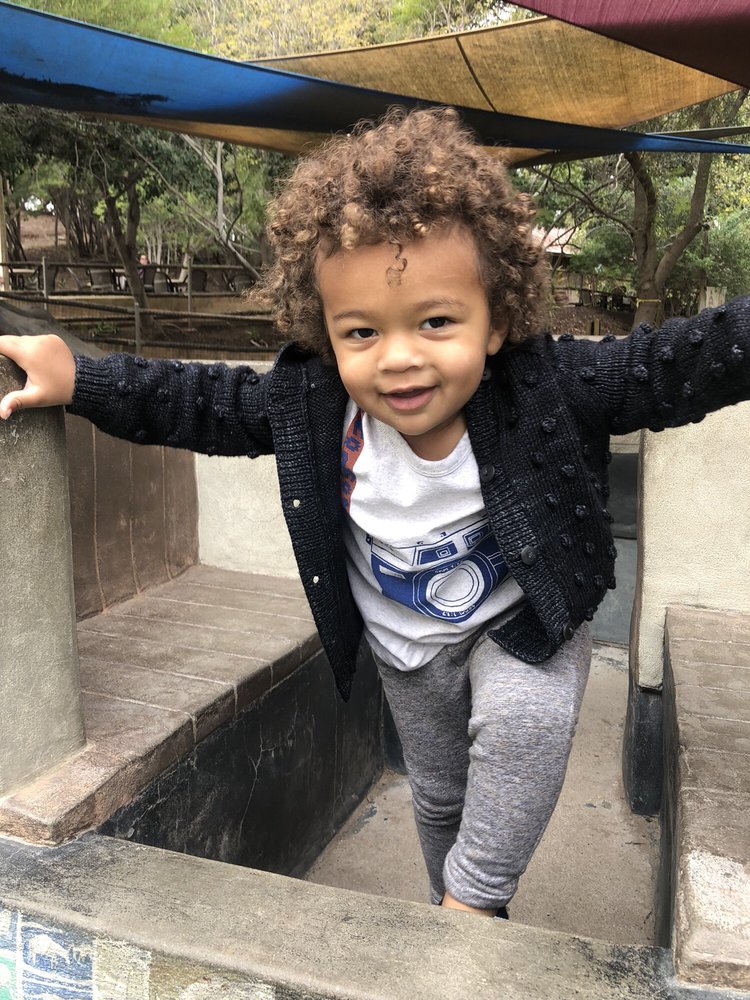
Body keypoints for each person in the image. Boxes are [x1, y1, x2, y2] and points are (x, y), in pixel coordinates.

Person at [1, 108, 749, 920]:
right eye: (361, 331)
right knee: (438, 796)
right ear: (326, 336)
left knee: (523, 720)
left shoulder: (551, 386)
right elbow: (202, 402)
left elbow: (675, 364)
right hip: (407, 651)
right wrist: (82, 380)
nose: (398, 358)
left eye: (436, 321)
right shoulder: (316, 405)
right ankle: (451, 907)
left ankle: (474, 904)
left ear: (496, 320)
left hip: (523, 622)